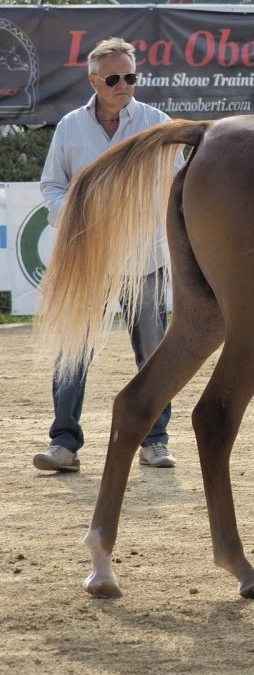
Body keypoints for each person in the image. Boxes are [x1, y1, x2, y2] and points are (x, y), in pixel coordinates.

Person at [32, 38, 176, 474]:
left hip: (145, 258)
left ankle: (155, 442)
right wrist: (75, 216)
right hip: (87, 257)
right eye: (114, 78)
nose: (124, 85)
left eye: (130, 76)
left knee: (153, 354)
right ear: (94, 81)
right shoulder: (70, 126)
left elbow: (179, 182)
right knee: (72, 350)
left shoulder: (157, 124)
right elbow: (51, 185)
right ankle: (64, 444)